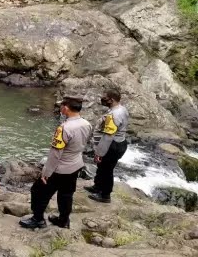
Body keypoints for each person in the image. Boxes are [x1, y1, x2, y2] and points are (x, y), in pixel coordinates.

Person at [20, 97, 92, 229]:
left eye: (61, 106)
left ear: (66, 108)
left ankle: (38, 219)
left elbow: (55, 153)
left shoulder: (64, 128)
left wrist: (46, 172)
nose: (60, 108)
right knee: (66, 194)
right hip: (76, 165)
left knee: (38, 191)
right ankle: (64, 220)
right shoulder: (86, 124)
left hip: (60, 169)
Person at [85, 89, 129, 203]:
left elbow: (108, 136)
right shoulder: (121, 109)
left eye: (106, 97)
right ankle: (97, 187)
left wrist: (99, 153)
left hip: (113, 145)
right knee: (102, 167)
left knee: (107, 170)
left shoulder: (114, 115)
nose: (103, 99)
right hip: (119, 142)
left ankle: (105, 195)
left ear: (112, 99)